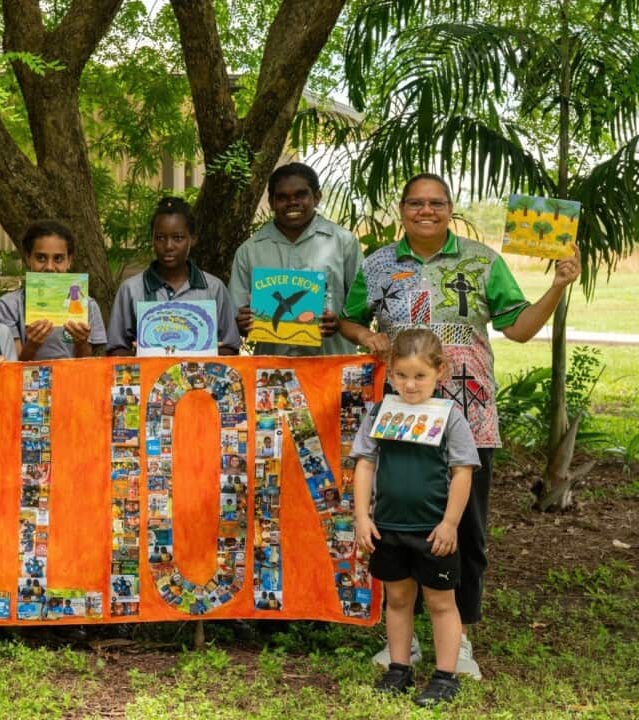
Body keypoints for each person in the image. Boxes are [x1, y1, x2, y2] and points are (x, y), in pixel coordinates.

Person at [340, 172, 582, 678]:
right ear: (401, 209)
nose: (425, 211)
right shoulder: (378, 263)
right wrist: (366, 336)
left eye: (436, 202)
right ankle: (404, 640)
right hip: (400, 417)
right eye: (415, 203)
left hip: (468, 415)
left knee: (465, 529)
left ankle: (460, 637)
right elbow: (349, 317)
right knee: (398, 522)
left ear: (451, 208)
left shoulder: (482, 261)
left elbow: (519, 328)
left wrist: (558, 287)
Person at [352, 329, 479, 707]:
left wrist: (450, 523)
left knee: (441, 602)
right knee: (397, 599)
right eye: (401, 375)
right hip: (389, 527)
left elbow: (462, 471)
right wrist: (362, 516)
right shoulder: (380, 413)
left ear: (440, 372)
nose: (410, 384)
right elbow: (365, 464)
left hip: (433, 530)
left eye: (420, 375)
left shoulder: (450, 417)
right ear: (390, 373)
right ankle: (399, 668)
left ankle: (445, 676)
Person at [229, 162, 362, 356]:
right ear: (271, 202)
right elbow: (235, 320)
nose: (292, 202)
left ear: (316, 197)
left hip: (331, 364)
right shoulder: (249, 251)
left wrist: (340, 323)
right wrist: (241, 323)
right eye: (282, 197)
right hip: (273, 369)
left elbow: (362, 308)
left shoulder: (344, 243)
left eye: (301, 195)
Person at [106, 197, 239, 355]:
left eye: (178, 238)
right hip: (148, 371)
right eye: (160, 238)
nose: (168, 246)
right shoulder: (131, 290)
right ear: (152, 239)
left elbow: (231, 348)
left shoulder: (214, 289)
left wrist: (206, 352)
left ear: (193, 239)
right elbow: (115, 350)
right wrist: (138, 355)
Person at [0, 219, 106, 360]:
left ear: (69, 261)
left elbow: (90, 366)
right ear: (28, 258)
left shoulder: (88, 306)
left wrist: (81, 343)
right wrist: (32, 345)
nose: (50, 267)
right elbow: (11, 366)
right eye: (41, 258)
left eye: (58, 259)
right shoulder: (8, 306)